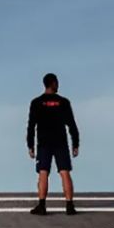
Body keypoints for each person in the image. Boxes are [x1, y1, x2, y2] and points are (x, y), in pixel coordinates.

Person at [26, 73, 79, 215]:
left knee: (43, 172)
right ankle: (69, 205)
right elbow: (72, 125)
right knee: (64, 171)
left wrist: (30, 145)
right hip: (60, 141)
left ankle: (42, 205)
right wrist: (76, 143)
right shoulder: (63, 102)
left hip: (44, 142)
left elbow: (31, 125)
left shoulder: (36, 103)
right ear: (53, 83)